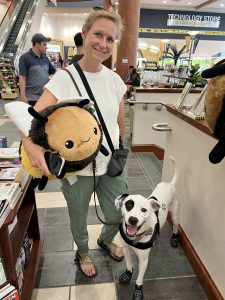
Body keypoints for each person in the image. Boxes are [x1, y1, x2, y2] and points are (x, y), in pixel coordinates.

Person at [20, 9, 128, 278]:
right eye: (98, 35)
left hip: (111, 161)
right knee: (78, 215)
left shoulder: (115, 80)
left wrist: (119, 147)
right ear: (85, 33)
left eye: (110, 39)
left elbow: (119, 123)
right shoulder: (64, 78)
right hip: (77, 168)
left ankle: (105, 238)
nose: (103, 44)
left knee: (117, 212)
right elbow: (29, 120)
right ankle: (82, 251)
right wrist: (33, 149)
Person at [18, 33, 56, 106]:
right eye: (44, 45)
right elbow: (22, 78)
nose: (46, 47)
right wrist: (23, 96)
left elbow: (53, 72)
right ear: (37, 44)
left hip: (44, 98)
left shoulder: (45, 59)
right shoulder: (25, 58)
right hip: (31, 98)